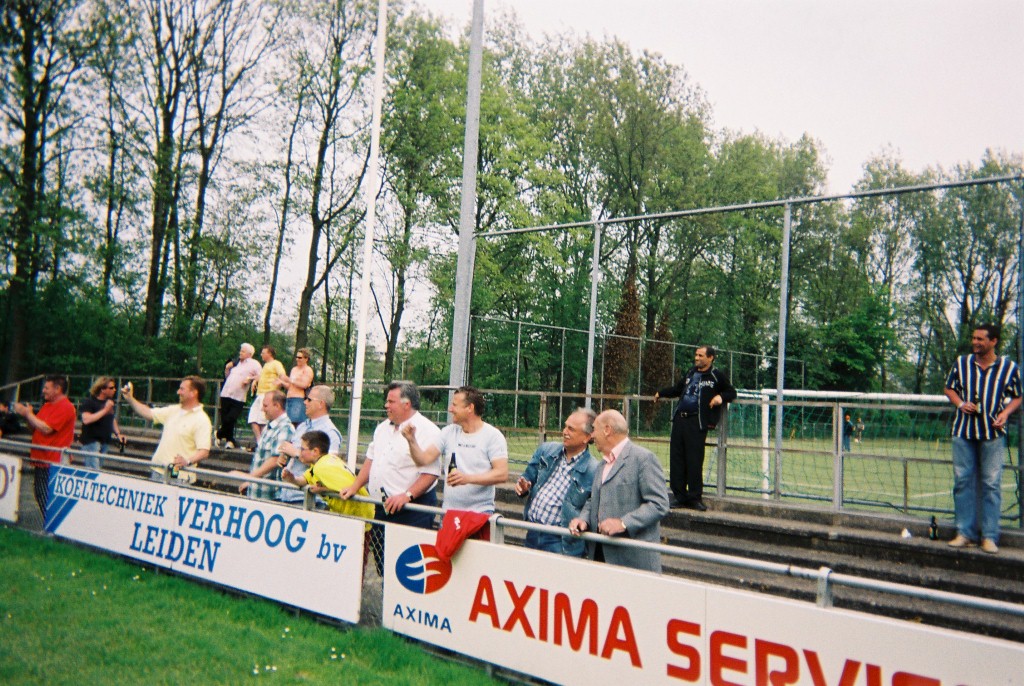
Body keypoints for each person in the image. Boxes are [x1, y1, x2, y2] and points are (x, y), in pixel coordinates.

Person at [341, 381, 442, 576]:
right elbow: (371, 460)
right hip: (382, 507)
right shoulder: (382, 428)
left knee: (408, 569)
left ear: (406, 404)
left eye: (391, 401)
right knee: (384, 565)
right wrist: (355, 486)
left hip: (412, 510)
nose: (386, 405)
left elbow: (430, 473)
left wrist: (407, 495)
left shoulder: (428, 431)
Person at [943, 324, 1021, 554]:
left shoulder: (1008, 368)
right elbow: (949, 388)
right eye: (974, 338)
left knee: (991, 485)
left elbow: (1018, 396)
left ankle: (989, 536)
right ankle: (964, 533)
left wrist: (1006, 413)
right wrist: (960, 403)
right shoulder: (962, 363)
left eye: (980, 339)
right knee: (963, 482)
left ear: (993, 341)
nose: (975, 342)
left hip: (992, 434)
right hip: (963, 432)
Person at [568, 409, 670, 572]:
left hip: (633, 562)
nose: (592, 436)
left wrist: (623, 523)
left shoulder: (644, 459)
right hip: (600, 556)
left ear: (607, 430)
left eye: (594, 429)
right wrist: (583, 520)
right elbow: (594, 500)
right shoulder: (602, 465)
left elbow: (659, 504)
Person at [654, 345, 736, 511]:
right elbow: (678, 389)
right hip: (680, 420)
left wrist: (720, 397)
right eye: (696, 355)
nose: (696, 358)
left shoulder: (716, 375)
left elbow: (731, 392)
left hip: (696, 422)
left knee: (694, 460)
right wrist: (661, 393)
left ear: (710, 358)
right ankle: (679, 496)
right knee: (677, 458)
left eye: (700, 355)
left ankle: (694, 498)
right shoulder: (691, 373)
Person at [403, 386, 508, 514]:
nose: (450, 409)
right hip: (449, 513)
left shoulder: (493, 436)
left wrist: (467, 478)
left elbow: (501, 474)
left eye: (454, 405)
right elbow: (423, 460)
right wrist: (411, 440)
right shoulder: (448, 432)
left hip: (479, 514)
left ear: (470, 408)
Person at [515, 408, 600, 557]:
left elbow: (593, 506)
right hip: (533, 531)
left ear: (587, 437)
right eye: (565, 426)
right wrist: (523, 487)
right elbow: (527, 477)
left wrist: (582, 521)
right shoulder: (546, 451)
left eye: (571, 429)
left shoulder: (594, 470)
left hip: (561, 540)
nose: (565, 432)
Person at [121, 376, 212, 482]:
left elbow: (204, 451)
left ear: (193, 393)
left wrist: (187, 461)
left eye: (182, 389)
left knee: (173, 491)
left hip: (178, 474)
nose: (178, 392)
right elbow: (149, 413)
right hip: (158, 470)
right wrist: (130, 399)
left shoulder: (202, 420)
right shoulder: (173, 410)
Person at [14, 375, 76, 517]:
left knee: (48, 496)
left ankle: (53, 523)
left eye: (47, 388)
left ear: (57, 389)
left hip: (53, 461)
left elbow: (47, 429)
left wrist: (29, 414)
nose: (43, 391)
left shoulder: (66, 407)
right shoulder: (47, 405)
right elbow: (35, 427)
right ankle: (49, 521)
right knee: (40, 494)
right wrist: (27, 415)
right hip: (41, 458)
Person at [282, 430, 374, 523]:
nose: (300, 452)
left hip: (358, 516)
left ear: (315, 451)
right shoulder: (321, 463)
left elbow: (350, 488)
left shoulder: (323, 467)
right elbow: (305, 479)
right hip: (348, 516)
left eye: (302, 449)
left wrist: (322, 490)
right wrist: (292, 478)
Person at [275, 385, 344, 506]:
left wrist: (296, 453)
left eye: (309, 399)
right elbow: (293, 451)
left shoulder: (330, 432)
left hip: (309, 500)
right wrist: (285, 456)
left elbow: (329, 468)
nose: (305, 402)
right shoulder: (302, 426)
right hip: (288, 494)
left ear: (321, 404)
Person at [234, 391, 294, 501]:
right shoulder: (268, 427)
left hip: (270, 495)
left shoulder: (285, 428)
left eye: (265, 406)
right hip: (257, 492)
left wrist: (250, 478)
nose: (262, 409)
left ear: (277, 406)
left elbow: (275, 460)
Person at [216, 343, 261, 449]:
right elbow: (227, 377)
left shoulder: (254, 364)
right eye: (240, 350)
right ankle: (230, 441)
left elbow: (261, 375)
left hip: (239, 396)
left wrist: (250, 379)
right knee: (225, 419)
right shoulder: (236, 363)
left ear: (249, 354)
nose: (240, 353)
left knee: (231, 418)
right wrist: (227, 369)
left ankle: (218, 434)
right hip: (226, 393)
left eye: (243, 351)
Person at [79, 376, 125, 469]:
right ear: (102, 389)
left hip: (105, 440)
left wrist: (118, 434)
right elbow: (86, 420)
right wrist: (105, 410)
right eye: (111, 388)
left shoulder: (109, 402)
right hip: (92, 441)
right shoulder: (89, 402)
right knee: (93, 469)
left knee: (98, 467)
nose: (114, 390)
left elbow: (111, 419)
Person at [248, 345, 286, 443]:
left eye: (263, 353)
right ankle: (259, 440)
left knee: (263, 420)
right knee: (253, 418)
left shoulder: (276, 363)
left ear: (269, 354)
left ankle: (264, 441)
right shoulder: (265, 365)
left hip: (268, 394)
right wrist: (254, 381)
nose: (261, 354)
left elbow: (282, 374)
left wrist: (280, 383)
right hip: (259, 394)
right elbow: (262, 376)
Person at [279, 348, 314, 424]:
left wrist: (289, 379)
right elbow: (290, 386)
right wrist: (282, 382)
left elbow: (304, 385)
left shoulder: (308, 370)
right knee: (288, 422)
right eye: (296, 357)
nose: (297, 359)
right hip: (289, 398)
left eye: (300, 357)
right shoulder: (294, 369)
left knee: (296, 423)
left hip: (299, 399)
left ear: (306, 359)